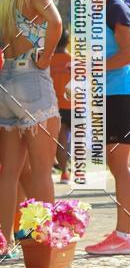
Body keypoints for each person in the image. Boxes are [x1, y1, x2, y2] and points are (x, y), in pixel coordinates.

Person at [0, 0, 62, 257]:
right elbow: (56, 23)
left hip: (5, 85)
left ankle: (5, 241)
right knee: (41, 169)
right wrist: (47, 56)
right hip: (33, 82)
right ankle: (43, 240)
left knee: (9, 172)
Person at [86, 0, 130, 255]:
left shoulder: (115, 8)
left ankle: (123, 235)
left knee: (120, 167)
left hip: (120, 94)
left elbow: (129, 54)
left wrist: (90, 68)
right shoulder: (102, 10)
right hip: (118, 93)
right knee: (122, 166)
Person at [50, 28, 72, 182]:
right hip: (75, 105)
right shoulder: (75, 60)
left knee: (62, 141)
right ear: (68, 41)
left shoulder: (47, 61)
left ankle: (64, 173)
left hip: (56, 107)